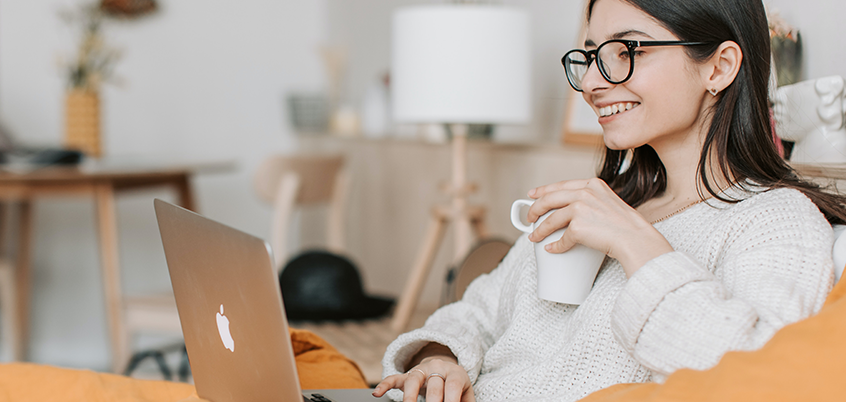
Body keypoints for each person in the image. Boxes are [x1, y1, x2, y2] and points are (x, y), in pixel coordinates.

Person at [373, 0, 846, 401]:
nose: (594, 82)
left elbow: (757, 375)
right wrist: (441, 359)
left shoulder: (774, 220)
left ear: (719, 67)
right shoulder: (606, 201)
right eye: (592, 54)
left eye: (626, 50)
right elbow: (476, 310)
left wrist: (637, 245)